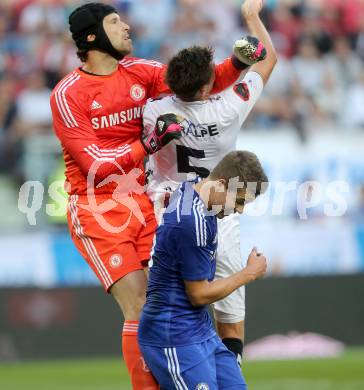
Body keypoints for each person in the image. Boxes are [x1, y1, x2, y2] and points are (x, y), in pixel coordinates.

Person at [49, 2, 257, 388]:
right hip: (97, 207)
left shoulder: (140, 72)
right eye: (114, 22)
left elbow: (195, 83)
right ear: (92, 37)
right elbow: (92, 161)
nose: (126, 26)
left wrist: (238, 62)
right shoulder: (68, 94)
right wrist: (149, 144)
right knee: (140, 306)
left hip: (143, 201)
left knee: (164, 303)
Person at [143, 0, 277, 365]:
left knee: (167, 309)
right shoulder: (229, 106)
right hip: (219, 216)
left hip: (168, 217)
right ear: (207, 87)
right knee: (230, 320)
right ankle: (228, 373)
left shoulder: (153, 111)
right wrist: (251, 20)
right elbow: (266, 58)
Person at [138, 150, 268, 389]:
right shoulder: (192, 222)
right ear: (220, 184)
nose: (240, 210)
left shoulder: (197, 190)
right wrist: (248, 273)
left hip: (199, 330)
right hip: (174, 336)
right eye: (239, 201)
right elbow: (198, 295)